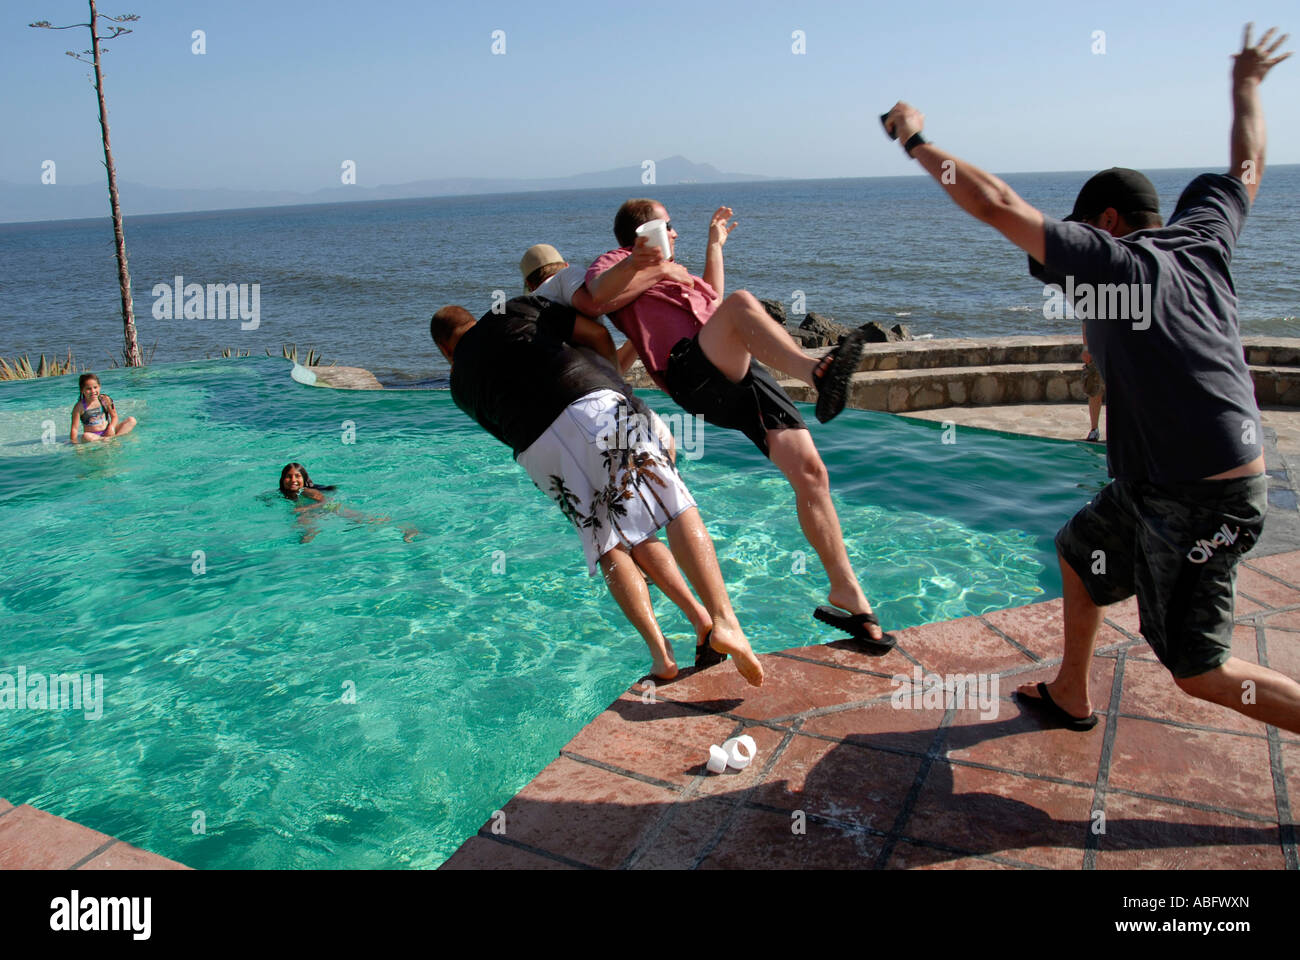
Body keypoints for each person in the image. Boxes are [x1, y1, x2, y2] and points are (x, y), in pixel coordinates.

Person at [881, 23, 1299, 733]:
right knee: (1080, 550)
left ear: (1106, 222)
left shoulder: (1113, 261)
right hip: (1154, 483)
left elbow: (996, 205)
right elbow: (1250, 163)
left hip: (1205, 494)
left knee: (1199, 669)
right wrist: (1247, 86)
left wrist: (915, 140)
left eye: (1081, 232)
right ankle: (1070, 691)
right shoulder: (1204, 235)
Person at [583, 201, 891, 646]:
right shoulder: (617, 263)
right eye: (668, 225)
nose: (673, 233)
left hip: (735, 370)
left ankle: (850, 595)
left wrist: (715, 245)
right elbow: (596, 294)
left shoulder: (679, 269)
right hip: (688, 371)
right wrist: (644, 263)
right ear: (643, 231)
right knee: (743, 303)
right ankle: (815, 374)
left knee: (811, 473)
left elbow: (709, 300)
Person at [431, 295, 764, 685]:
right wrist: (615, 382)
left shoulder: (458, 384)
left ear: (445, 350)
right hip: (590, 398)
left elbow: (503, 430)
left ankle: (664, 656)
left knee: (607, 543)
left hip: (540, 448)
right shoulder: (516, 308)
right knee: (669, 503)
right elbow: (594, 333)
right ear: (472, 319)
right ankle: (722, 619)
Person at [279, 462, 417, 543]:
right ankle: (307, 538)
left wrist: (304, 509)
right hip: (320, 509)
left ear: (304, 479)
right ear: (282, 479)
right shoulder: (284, 494)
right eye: (289, 477)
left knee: (363, 518)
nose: (293, 480)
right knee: (360, 519)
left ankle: (408, 528)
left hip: (330, 506)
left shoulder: (306, 491)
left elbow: (324, 501)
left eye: (297, 476)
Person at [70, 373, 137, 443]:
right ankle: (108, 440)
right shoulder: (79, 407)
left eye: (95, 387)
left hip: (109, 431)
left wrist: (111, 427)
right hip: (94, 436)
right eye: (88, 389)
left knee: (132, 420)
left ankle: (114, 438)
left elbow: (114, 417)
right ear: (82, 390)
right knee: (85, 436)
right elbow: (74, 429)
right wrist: (75, 445)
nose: (93, 391)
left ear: (99, 387)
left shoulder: (105, 399)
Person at [1081, 323, 1104, 443]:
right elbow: (1086, 322)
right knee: (1094, 391)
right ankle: (1094, 429)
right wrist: (1086, 348)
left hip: (1119, 348)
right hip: (1097, 348)